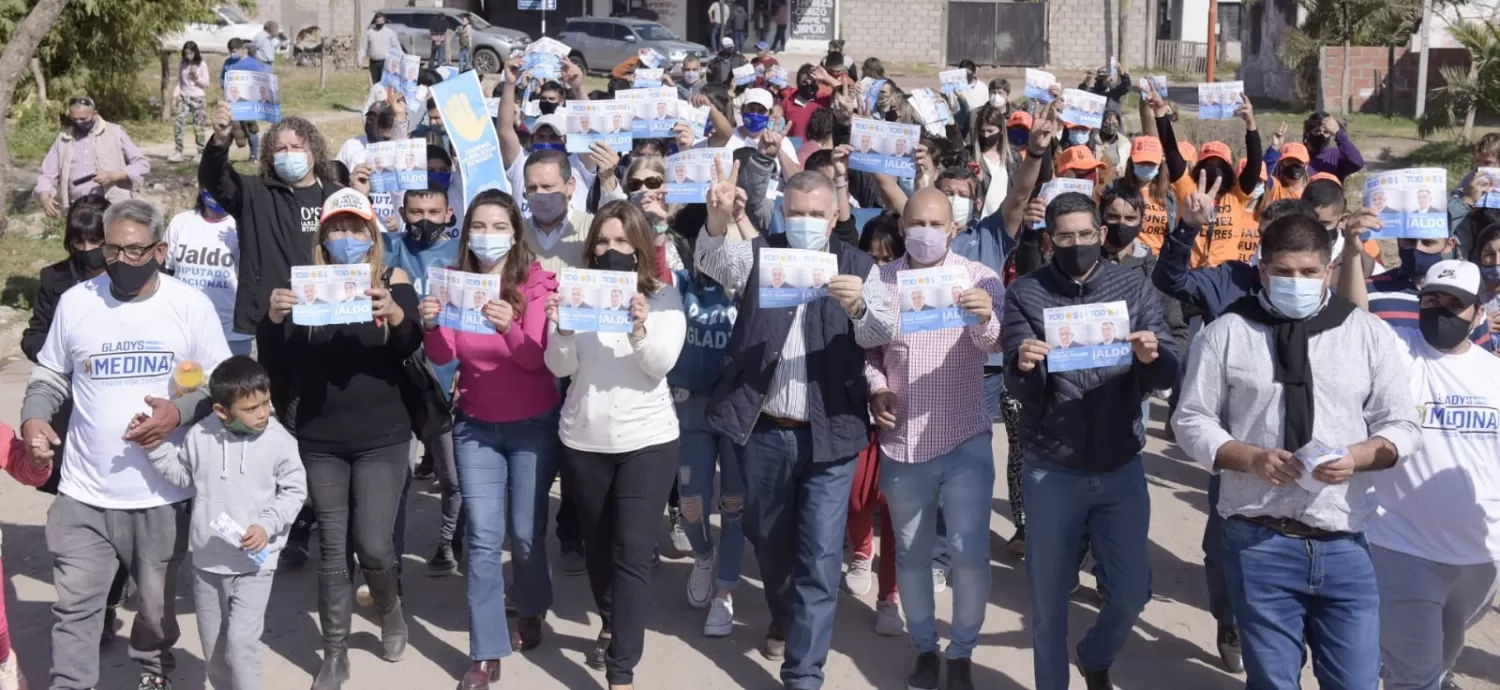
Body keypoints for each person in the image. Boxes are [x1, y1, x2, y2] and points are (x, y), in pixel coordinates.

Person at [1171, 212, 1420, 690]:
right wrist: (1250, 457)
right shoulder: (1226, 333)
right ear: (1262, 270)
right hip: (1256, 538)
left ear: (1328, 270)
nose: (1296, 281)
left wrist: (1360, 456)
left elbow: (1402, 424)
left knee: (1356, 682)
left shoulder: (1366, 333)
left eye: (1308, 272)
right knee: (1273, 682)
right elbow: (1192, 418)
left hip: (1344, 538)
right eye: (1283, 271)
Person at [20, 199, 232, 690]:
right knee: (75, 608)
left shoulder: (188, 305)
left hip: (162, 495)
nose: (119, 260)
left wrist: (177, 413)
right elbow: (50, 373)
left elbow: (222, 381)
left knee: (155, 613)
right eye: (112, 249)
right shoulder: (78, 301)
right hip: (84, 493)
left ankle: (155, 670)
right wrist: (34, 420)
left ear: (160, 250)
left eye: (134, 251)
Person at [697, 168, 895, 689]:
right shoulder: (763, 254)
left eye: (815, 214)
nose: (805, 223)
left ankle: (803, 674)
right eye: (796, 213)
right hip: (765, 430)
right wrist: (717, 221)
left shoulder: (859, 266)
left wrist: (858, 307)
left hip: (832, 434)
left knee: (821, 554)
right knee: (769, 536)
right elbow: (716, 262)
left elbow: (883, 330)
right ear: (783, 213)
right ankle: (782, 612)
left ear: (834, 216)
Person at [1001, 192, 1179, 690]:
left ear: (1101, 235)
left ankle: (1095, 653)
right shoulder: (1027, 293)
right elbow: (1018, 384)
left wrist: (1152, 356)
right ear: (1049, 239)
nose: (1076, 244)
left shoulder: (1132, 286)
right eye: (1064, 236)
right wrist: (1024, 363)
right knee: (1048, 601)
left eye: (1085, 234)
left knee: (1130, 593)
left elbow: (1167, 366)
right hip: (1052, 467)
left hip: (1120, 464)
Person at [258, 189, 419, 689]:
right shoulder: (299, 285)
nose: (346, 238)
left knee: (373, 543)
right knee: (332, 547)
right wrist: (275, 318)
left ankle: (390, 610)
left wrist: (393, 313)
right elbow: (277, 362)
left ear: (372, 236)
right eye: (337, 229)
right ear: (323, 236)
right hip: (320, 438)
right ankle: (334, 651)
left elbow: (414, 342)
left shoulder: (394, 281)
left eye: (356, 229)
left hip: (383, 435)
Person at [420, 190, 560, 687]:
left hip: (532, 426)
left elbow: (537, 359)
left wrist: (509, 327)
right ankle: (485, 651)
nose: (487, 234)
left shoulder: (537, 284)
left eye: (499, 225)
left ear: (515, 232)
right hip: (475, 426)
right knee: (481, 538)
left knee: (524, 533)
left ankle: (531, 603)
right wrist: (432, 324)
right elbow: (443, 356)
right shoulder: (456, 283)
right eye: (479, 225)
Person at [866, 188, 1004, 690]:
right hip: (903, 443)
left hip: (964, 436)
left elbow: (995, 345)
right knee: (910, 552)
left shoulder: (978, 279)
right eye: (915, 223)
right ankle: (925, 648)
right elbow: (869, 353)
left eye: (935, 224)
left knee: (969, 554)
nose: (925, 233)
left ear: (954, 229)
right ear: (902, 227)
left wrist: (985, 315)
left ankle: (962, 650)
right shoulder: (880, 279)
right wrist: (877, 389)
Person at [545, 202, 686, 690]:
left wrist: (640, 326)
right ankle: (610, 618)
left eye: (622, 242)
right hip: (584, 439)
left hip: (647, 440)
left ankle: (621, 670)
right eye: (603, 242)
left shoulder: (664, 298)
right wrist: (562, 328)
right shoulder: (575, 294)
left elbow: (660, 363)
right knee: (599, 547)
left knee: (632, 549)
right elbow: (560, 368)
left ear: (641, 249)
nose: (611, 250)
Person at [141, 355, 307, 690]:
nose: (262, 414)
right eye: (251, 408)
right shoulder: (200, 435)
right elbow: (182, 475)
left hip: (257, 562)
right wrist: (155, 447)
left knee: (242, 643)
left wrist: (267, 525)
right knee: (215, 647)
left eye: (265, 402)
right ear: (221, 411)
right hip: (208, 562)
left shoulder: (279, 440)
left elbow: (294, 489)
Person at [199, 102, 343, 403]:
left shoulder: (336, 196)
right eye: (281, 149)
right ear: (269, 156)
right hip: (274, 321)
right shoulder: (253, 192)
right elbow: (215, 179)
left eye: (296, 146)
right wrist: (220, 140)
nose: (288, 154)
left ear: (313, 153)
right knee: (281, 401)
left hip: (330, 318)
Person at [381, 183, 463, 577]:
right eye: (415, 213)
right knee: (399, 476)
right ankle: (389, 556)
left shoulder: (461, 255)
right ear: (403, 211)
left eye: (434, 214)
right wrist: (362, 193)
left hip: (447, 379)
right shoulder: (390, 247)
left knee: (452, 476)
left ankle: (448, 539)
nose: (424, 221)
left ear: (449, 215)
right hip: (399, 379)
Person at [164, 190, 252, 356]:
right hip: (185, 330)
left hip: (231, 335)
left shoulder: (243, 226)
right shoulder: (181, 222)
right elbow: (166, 270)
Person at [34, 96, 150, 217]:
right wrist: (44, 195)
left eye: (83, 119)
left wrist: (114, 175)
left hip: (113, 209)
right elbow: (47, 174)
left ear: (94, 114)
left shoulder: (115, 133)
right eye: (75, 119)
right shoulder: (63, 138)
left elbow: (142, 165)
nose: (79, 123)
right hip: (77, 210)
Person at [222, 39, 270, 163]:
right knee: (230, 130)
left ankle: (253, 157)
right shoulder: (228, 63)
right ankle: (223, 157)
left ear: (242, 49)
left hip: (248, 102)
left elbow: (262, 80)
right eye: (231, 51)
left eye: (235, 51)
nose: (233, 54)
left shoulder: (252, 64)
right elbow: (223, 80)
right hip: (232, 102)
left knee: (251, 130)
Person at [170, 42, 211, 163]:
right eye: (186, 53)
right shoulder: (183, 64)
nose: (188, 55)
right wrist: (174, 96)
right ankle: (178, 151)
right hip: (184, 97)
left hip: (198, 98)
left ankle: (200, 151)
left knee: (198, 125)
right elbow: (180, 82)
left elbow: (206, 84)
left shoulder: (201, 64)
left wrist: (196, 76)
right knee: (178, 123)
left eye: (190, 53)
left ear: (195, 52)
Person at [1303, 111, 1364, 181]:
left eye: (1326, 132)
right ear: (1308, 133)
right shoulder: (1298, 154)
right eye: (1317, 131)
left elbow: (1358, 163)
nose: (1321, 135)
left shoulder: (1336, 156)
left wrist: (1337, 132)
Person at [359, 13, 402, 84]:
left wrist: (400, 59)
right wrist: (360, 58)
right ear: (375, 22)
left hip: (385, 62)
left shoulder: (390, 33)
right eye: (377, 21)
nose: (379, 23)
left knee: (384, 84)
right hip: (373, 62)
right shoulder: (369, 33)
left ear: (384, 21)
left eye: (381, 21)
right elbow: (364, 47)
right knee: (375, 83)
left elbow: (397, 47)